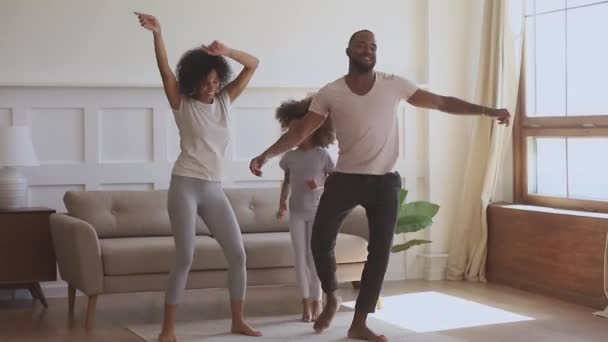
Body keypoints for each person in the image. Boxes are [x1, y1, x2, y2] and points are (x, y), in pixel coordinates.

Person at [249, 29, 510, 342]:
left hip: (384, 182)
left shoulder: (394, 84)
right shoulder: (331, 92)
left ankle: (359, 322)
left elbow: (440, 102)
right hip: (345, 179)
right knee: (319, 242)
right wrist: (265, 155)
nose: (368, 49)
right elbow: (300, 131)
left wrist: (487, 110)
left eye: (373, 45)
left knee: (380, 253)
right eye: (361, 44)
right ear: (348, 51)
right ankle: (332, 296)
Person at [135, 12, 263, 342]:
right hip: (185, 185)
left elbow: (254, 64)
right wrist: (158, 33)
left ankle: (238, 320)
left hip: (213, 189)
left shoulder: (224, 100)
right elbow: (164, 69)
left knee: (238, 254)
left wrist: (227, 51)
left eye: (215, 79)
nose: (211, 86)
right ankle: (168, 330)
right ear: (194, 80)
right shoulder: (182, 102)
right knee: (185, 257)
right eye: (205, 81)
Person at [274, 97, 335, 323]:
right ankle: (305, 303)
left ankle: (317, 300)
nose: (293, 136)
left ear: (312, 129)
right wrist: (281, 204)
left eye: (297, 131)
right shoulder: (289, 157)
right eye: (290, 132)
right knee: (299, 258)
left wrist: (319, 184)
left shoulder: (322, 155)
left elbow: (335, 182)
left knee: (313, 258)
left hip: (318, 212)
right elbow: (287, 182)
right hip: (296, 212)